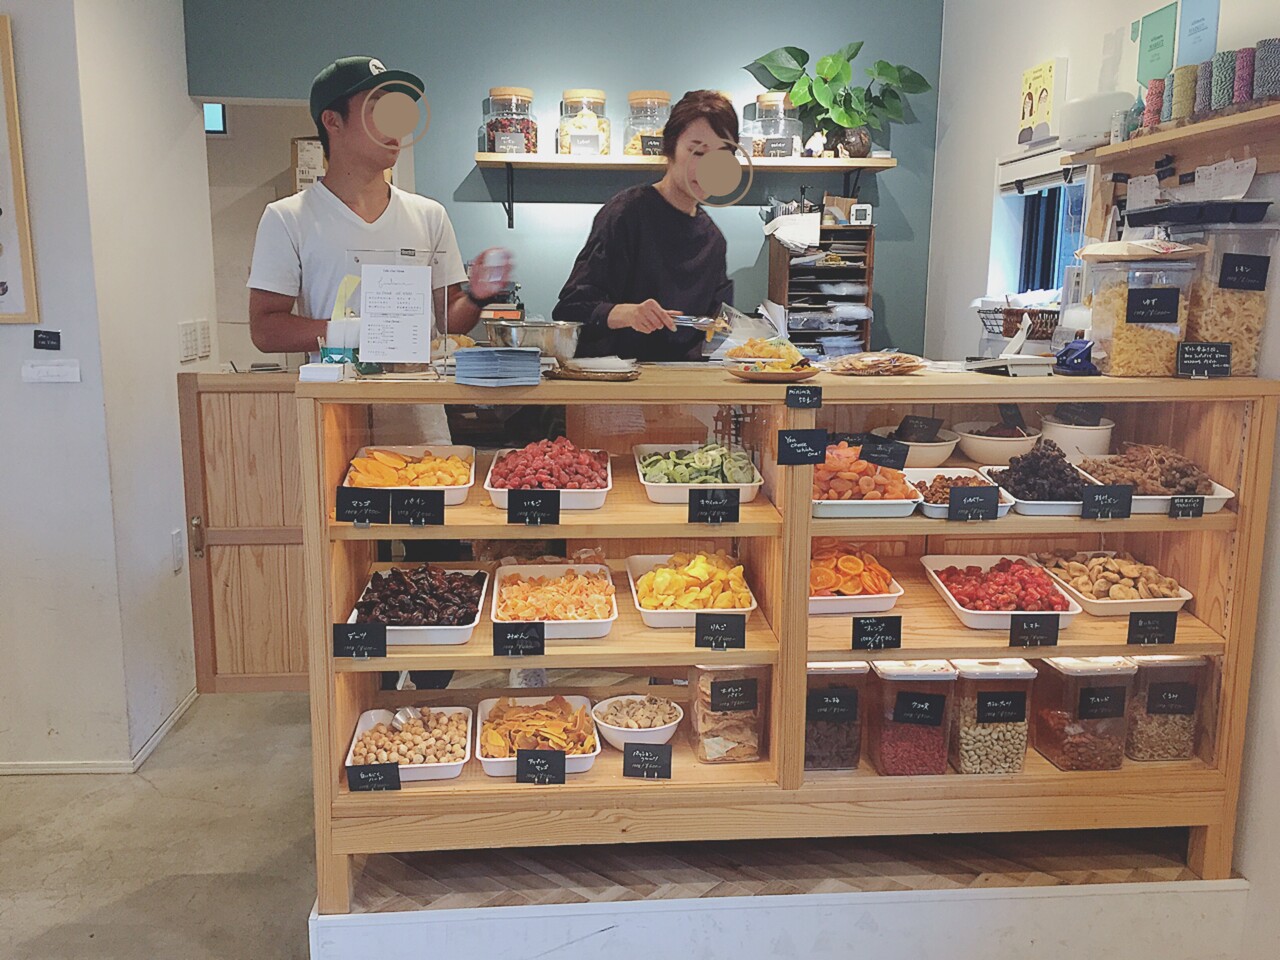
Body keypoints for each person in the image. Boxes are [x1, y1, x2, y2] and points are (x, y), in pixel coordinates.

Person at [247, 55, 511, 443]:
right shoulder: (288, 218)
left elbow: (450, 321)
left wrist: (477, 295)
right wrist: (364, 332)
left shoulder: (429, 215)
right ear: (332, 121)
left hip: (422, 425)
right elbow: (266, 329)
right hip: (334, 424)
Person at [552, 90, 736, 361]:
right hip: (613, 378)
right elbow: (571, 311)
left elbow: (717, 327)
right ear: (670, 148)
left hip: (682, 383)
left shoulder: (713, 240)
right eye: (697, 151)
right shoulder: (626, 213)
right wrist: (630, 314)